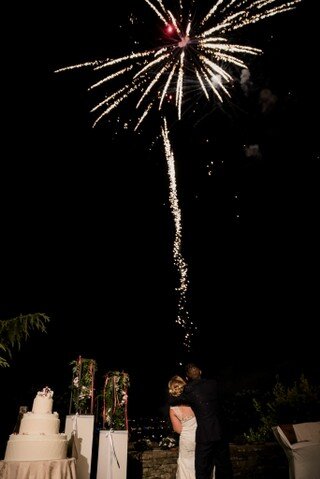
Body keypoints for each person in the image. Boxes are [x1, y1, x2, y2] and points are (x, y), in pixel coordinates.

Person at [182, 363, 233, 479]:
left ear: (187, 376)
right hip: (220, 430)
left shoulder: (188, 390)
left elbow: (175, 400)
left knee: (202, 467)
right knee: (224, 465)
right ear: (200, 371)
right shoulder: (213, 384)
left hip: (205, 433)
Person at [168, 375, 197, 479]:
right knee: (201, 462)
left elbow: (177, 429)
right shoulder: (195, 404)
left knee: (186, 465)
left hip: (187, 439)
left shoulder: (173, 409)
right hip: (201, 436)